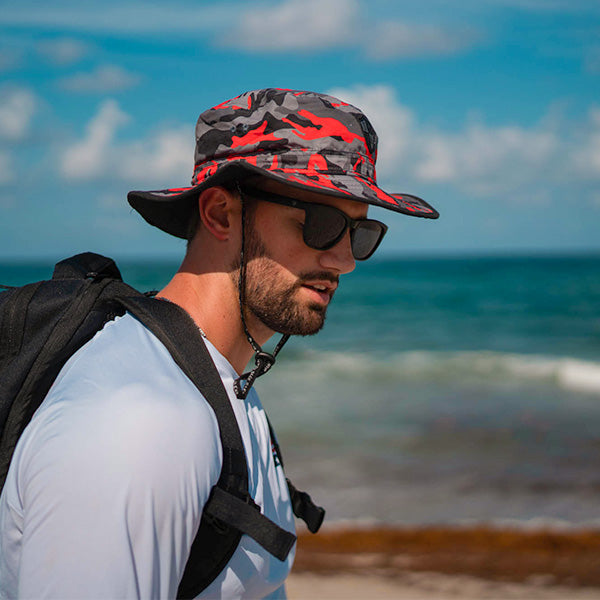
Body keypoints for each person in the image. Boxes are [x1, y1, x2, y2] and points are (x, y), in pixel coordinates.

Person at [0, 88, 438, 599]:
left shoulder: (216, 380)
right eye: (321, 225)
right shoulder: (141, 422)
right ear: (221, 214)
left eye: (360, 234)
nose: (345, 260)